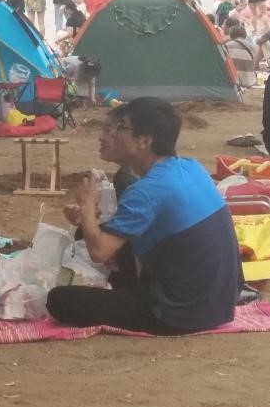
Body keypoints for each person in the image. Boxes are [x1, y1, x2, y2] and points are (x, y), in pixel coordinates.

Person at [46, 98, 240, 334]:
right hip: (220, 303)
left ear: (145, 141)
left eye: (120, 128)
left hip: (179, 313)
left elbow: (99, 252)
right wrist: (89, 219)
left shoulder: (145, 191)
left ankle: (136, 297)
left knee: (59, 299)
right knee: (91, 232)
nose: (110, 135)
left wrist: (87, 206)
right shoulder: (190, 166)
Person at [222, 21, 257, 90]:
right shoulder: (252, 47)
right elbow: (253, 64)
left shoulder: (226, 46)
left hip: (233, 82)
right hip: (249, 82)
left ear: (231, 35)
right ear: (244, 35)